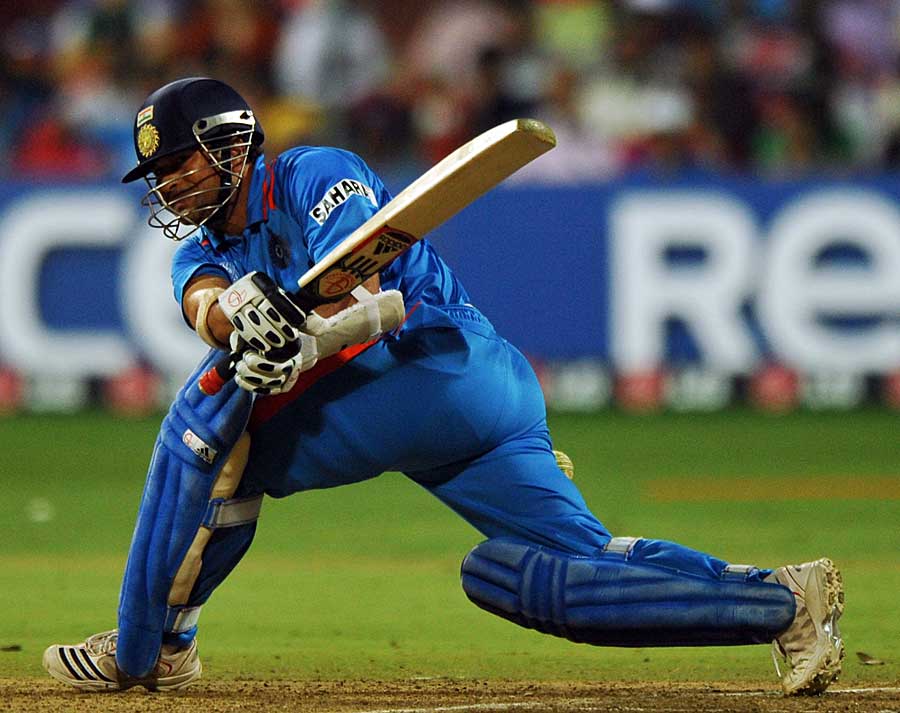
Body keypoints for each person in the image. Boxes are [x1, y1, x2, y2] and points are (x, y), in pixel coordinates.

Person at [42, 77, 844, 697]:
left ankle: (155, 645)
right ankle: (779, 600)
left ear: (230, 147)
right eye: (156, 175)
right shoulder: (200, 250)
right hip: (481, 403)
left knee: (213, 425)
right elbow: (206, 308)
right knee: (567, 569)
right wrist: (236, 324)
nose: (167, 187)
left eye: (176, 164)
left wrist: (292, 344)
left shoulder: (312, 173)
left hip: (430, 364)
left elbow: (367, 293)